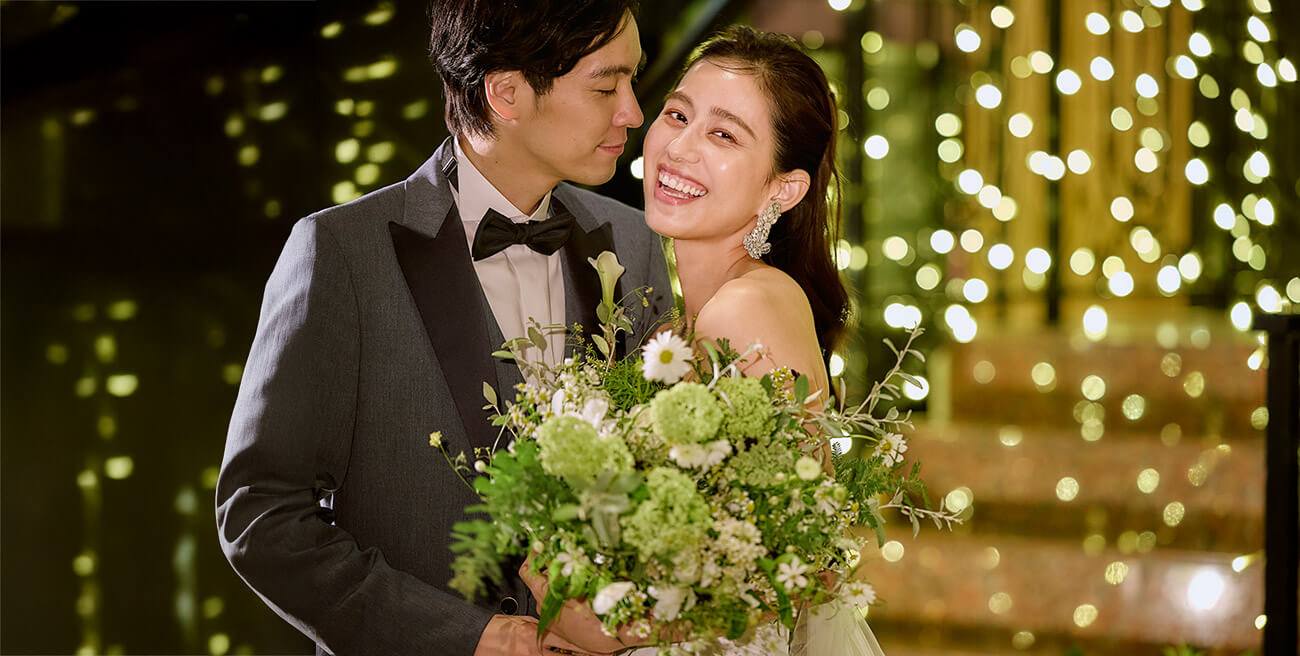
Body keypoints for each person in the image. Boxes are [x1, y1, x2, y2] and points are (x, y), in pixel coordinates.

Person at [215, 2, 670, 654]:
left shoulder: (633, 241)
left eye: (633, 81)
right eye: (606, 87)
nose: (633, 112)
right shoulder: (341, 252)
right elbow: (261, 515)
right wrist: (470, 638)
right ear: (506, 93)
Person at [641, 26, 885, 655]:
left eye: (723, 134)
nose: (679, 148)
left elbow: (784, 572)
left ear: (783, 188)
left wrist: (607, 620)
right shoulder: (683, 324)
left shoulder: (746, 309)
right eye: (678, 115)